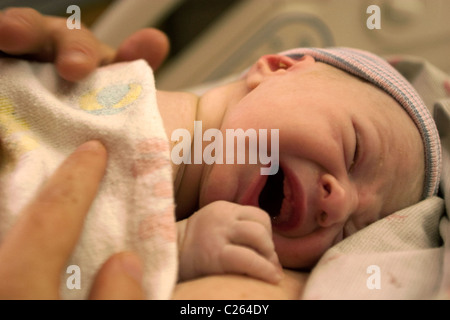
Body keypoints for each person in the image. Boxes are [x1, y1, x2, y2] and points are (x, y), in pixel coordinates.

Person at [0, 7, 441, 299]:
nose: (339, 203)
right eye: (355, 151)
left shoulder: (185, 249)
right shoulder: (107, 77)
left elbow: (76, 261)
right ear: (276, 70)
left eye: (350, 231)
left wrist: (180, 251)